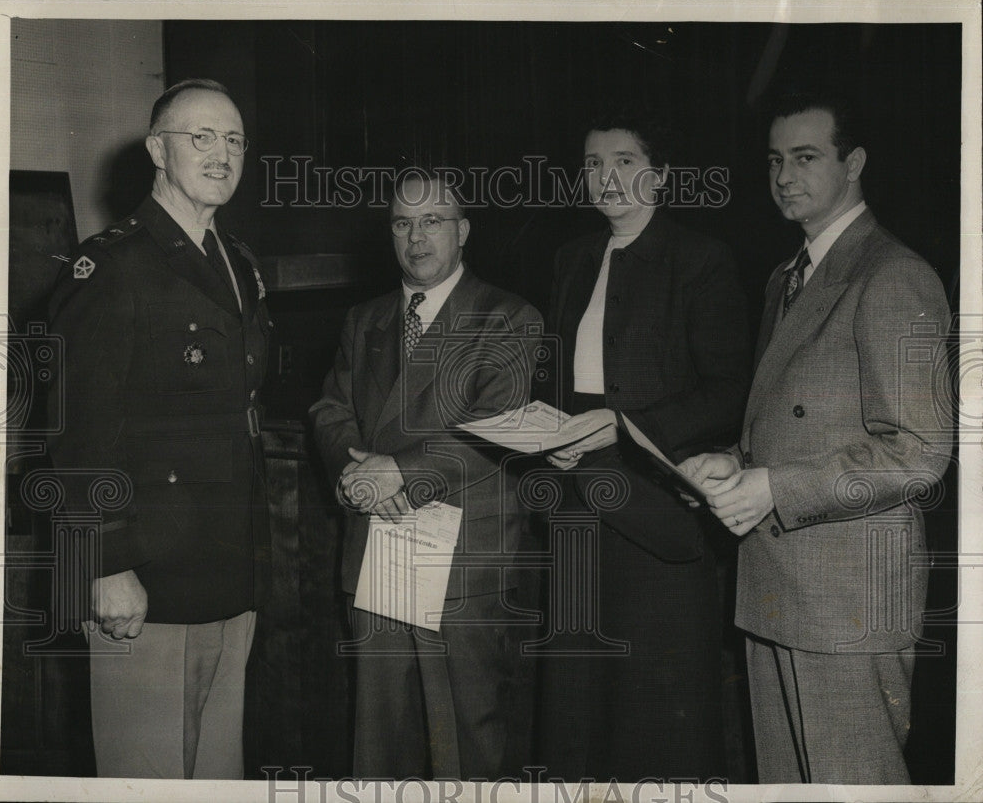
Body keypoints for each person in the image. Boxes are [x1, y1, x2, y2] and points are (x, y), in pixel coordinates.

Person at [678, 92, 952, 784]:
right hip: (777, 589)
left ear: (854, 162)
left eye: (805, 157)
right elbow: (792, 423)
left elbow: (919, 453)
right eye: (775, 160)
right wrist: (735, 460)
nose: (783, 176)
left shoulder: (893, 276)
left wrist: (773, 486)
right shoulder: (786, 278)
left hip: (849, 605)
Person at [47, 78, 272, 779]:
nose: (221, 153)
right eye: (200, 137)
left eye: (233, 140)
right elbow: (80, 429)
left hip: (230, 569)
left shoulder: (238, 262)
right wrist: (107, 563)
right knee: (144, 777)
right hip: (144, 576)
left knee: (216, 775)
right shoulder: (113, 265)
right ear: (156, 149)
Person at [535, 112, 751, 781]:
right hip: (577, 507)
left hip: (658, 514)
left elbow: (728, 389)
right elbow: (557, 375)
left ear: (657, 176)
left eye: (624, 161)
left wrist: (624, 427)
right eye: (594, 163)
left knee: (656, 717)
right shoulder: (571, 260)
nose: (608, 177)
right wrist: (548, 433)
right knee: (578, 709)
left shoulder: (701, 259)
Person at [310, 170, 542, 779]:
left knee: (465, 737)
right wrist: (354, 473)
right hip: (379, 540)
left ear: (463, 231)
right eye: (402, 223)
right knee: (381, 738)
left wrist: (399, 474)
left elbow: (496, 430)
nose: (417, 237)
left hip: (463, 553)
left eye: (433, 220)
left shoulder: (508, 317)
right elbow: (331, 409)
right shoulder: (365, 320)